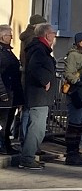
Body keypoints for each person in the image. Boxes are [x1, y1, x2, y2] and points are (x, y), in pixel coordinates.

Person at [19, 23, 56, 170]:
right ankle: (27, 158)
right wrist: (45, 80)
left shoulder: (39, 48)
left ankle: (28, 156)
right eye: (53, 33)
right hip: (38, 95)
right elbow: (35, 67)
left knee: (34, 126)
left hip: (37, 95)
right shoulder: (39, 50)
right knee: (37, 128)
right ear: (47, 35)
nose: (54, 36)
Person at [61, 32, 82, 166]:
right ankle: (71, 153)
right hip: (77, 92)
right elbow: (68, 72)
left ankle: (76, 151)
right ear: (78, 42)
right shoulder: (73, 55)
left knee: (81, 123)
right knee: (74, 123)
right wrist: (77, 81)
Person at [0, 24, 23, 155]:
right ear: (2, 36)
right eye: (9, 35)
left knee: (8, 121)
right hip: (4, 92)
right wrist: (2, 92)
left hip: (12, 92)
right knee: (3, 122)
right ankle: (2, 145)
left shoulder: (8, 51)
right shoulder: (1, 52)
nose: (12, 37)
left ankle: (6, 144)